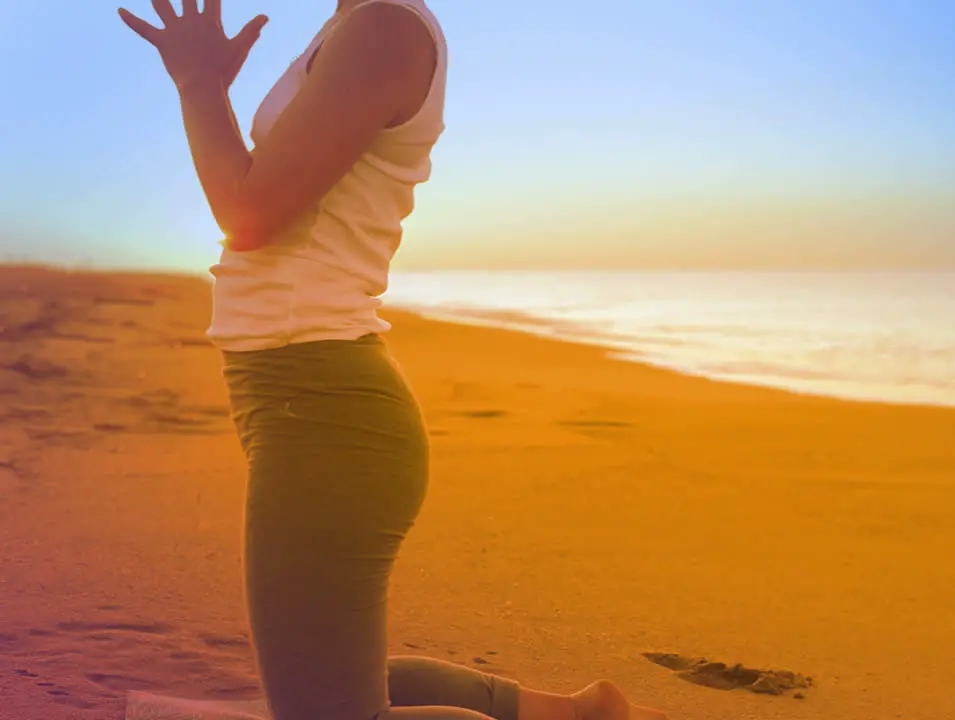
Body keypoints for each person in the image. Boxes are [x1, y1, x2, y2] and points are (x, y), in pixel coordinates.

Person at [117, 2, 669, 719]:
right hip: (303, 398)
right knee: (330, 687)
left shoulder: (386, 29)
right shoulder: (355, 24)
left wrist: (198, 87)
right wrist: (208, 88)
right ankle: (570, 715)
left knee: (326, 712)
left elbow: (249, 214)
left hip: (325, 411)